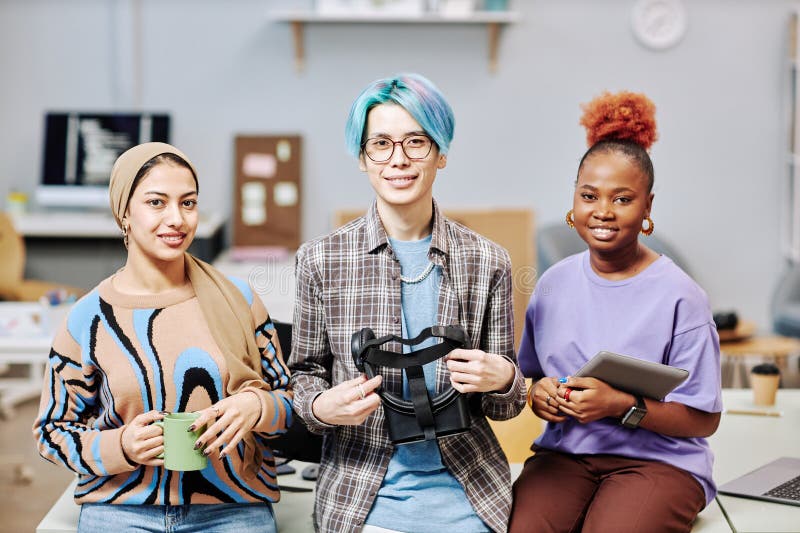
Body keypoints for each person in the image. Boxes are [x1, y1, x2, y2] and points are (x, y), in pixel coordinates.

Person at [288, 73, 527, 533]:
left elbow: (506, 407)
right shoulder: (320, 259)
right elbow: (303, 375)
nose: (398, 159)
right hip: (361, 496)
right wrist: (319, 408)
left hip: (469, 493)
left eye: (416, 141)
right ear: (363, 158)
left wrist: (504, 379)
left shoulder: (488, 261)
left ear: (441, 153)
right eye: (381, 143)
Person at [33, 142, 292, 532]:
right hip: (119, 508)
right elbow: (52, 432)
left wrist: (257, 407)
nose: (177, 219)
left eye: (188, 203)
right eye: (156, 203)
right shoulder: (87, 317)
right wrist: (121, 447)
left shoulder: (239, 299)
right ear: (124, 213)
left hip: (233, 509)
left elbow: (291, 402)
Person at [508, 92, 722, 533]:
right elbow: (530, 377)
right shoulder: (551, 284)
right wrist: (540, 395)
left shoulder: (682, 297)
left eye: (622, 199)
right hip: (567, 457)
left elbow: (705, 417)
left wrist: (621, 405)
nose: (602, 211)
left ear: (647, 207)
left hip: (660, 462)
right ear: (575, 201)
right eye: (590, 195)